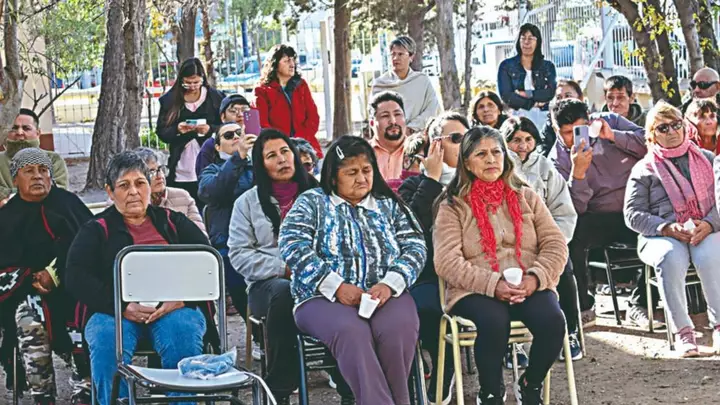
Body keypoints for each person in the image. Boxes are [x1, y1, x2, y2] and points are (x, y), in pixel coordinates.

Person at [280, 136, 426, 405]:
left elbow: (415, 246)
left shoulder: (388, 204)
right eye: (352, 172)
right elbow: (292, 244)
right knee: (352, 332)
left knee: (398, 328)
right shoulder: (312, 202)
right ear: (333, 177)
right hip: (320, 298)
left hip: (385, 293)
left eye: (367, 170)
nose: (362, 178)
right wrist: (334, 285)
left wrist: (390, 283)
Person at [65, 152, 218, 405]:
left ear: (150, 186)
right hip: (114, 311)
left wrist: (181, 299)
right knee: (106, 340)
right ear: (110, 191)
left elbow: (208, 263)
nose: (134, 192)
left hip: (174, 307)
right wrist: (121, 306)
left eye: (140, 183)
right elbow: (76, 275)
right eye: (124, 185)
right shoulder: (96, 229)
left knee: (183, 332)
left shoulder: (173, 222)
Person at [434, 126, 567, 405]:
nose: (491, 159)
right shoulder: (453, 205)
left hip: (527, 284)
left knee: (553, 321)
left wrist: (535, 278)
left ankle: (530, 384)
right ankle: (491, 392)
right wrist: (493, 285)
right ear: (467, 162)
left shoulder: (526, 196)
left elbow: (556, 244)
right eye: (481, 154)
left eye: (496, 152)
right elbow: (447, 261)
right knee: (494, 320)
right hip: (473, 290)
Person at [227, 129, 319, 405]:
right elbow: (239, 255)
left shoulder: (320, 194)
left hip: (319, 279)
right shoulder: (246, 203)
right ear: (261, 164)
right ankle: (280, 390)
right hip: (267, 286)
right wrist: (284, 268)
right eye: (272, 155)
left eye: (285, 151)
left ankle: (349, 391)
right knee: (284, 291)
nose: (281, 159)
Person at [548, 98, 656, 328]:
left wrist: (614, 136)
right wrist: (578, 174)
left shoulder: (610, 122)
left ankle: (640, 304)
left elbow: (652, 144)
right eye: (566, 133)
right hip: (599, 216)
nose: (574, 138)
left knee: (664, 230)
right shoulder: (556, 160)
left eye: (578, 130)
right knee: (569, 236)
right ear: (556, 129)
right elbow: (573, 210)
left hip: (639, 206)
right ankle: (583, 306)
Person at [625, 101, 720, 356]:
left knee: (710, 256)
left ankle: (719, 326)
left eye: (676, 125)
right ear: (652, 135)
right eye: (663, 128)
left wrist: (709, 223)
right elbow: (632, 214)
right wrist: (666, 227)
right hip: (661, 234)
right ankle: (683, 333)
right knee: (669, 257)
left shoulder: (708, 159)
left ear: (685, 126)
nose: (672, 132)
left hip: (706, 228)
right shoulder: (644, 168)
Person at [0, 148, 93, 405]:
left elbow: (92, 247)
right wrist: (30, 279)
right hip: (27, 292)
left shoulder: (69, 204)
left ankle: (85, 389)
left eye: (43, 170)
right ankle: (42, 394)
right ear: (15, 179)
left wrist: (56, 274)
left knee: (90, 317)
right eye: (29, 171)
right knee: (28, 320)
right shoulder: (6, 217)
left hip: (76, 288)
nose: (38, 176)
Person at [398, 111, 466, 405]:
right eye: (455, 138)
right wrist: (432, 179)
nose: (464, 144)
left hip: (476, 274)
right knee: (426, 305)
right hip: (429, 275)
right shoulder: (414, 186)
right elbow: (408, 228)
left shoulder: (482, 180)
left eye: (466, 137)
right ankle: (439, 371)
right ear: (436, 144)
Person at [500, 117, 582, 361]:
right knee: (507, 277)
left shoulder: (546, 167)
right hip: (508, 245)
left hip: (545, 242)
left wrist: (554, 244)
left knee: (564, 270)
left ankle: (570, 332)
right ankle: (512, 342)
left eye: (528, 139)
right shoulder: (497, 168)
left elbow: (563, 211)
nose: (523, 145)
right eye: (516, 140)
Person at [198, 123, 255, 337]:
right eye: (229, 135)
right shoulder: (211, 171)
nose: (236, 137)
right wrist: (238, 158)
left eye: (240, 133)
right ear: (217, 146)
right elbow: (214, 191)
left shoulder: (258, 166)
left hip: (264, 241)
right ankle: (259, 337)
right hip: (229, 245)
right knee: (239, 284)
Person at [156, 58, 225, 207]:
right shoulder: (170, 100)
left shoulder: (215, 98)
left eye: (196, 82)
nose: (192, 87)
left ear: (203, 78)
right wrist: (177, 129)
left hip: (209, 161)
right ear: (181, 80)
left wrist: (210, 130)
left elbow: (226, 127)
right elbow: (161, 132)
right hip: (181, 167)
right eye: (188, 83)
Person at [255, 44, 322, 157]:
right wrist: (283, 143)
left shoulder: (301, 85)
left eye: (293, 60)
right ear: (275, 64)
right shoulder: (262, 90)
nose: (292, 64)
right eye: (286, 61)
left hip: (305, 145)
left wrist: (299, 140)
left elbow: (313, 117)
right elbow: (263, 124)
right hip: (278, 149)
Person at [371, 35, 441, 133]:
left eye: (400, 54)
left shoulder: (422, 81)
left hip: (418, 135)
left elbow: (433, 109)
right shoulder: (380, 84)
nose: (395, 58)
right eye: (393, 54)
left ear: (411, 57)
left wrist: (411, 128)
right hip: (389, 136)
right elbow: (373, 113)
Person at [0, 109, 68, 204]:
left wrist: (9, 195)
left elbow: (58, 192)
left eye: (26, 128)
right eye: (14, 128)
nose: (19, 132)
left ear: (38, 133)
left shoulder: (53, 159)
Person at [497, 23, 557, 130]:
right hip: (516, 119)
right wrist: (532, 104)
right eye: (523, 38)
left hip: (543, 118)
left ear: (537, 42)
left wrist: (526, 93)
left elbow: (549, 93)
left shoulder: (548, 66)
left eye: (531, 38)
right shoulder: (506, 66)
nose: (526, 42)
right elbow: (507, 96)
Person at [133, 147, 206, 234]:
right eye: (151, 172)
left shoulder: (183, 196)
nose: (159, 176)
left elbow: (201, 235)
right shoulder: (131, 203)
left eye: (160, 169)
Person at [196, 93, 254, 176]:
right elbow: (204, 179)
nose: (240, 115)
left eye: (245, 110)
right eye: (233, 111)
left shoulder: (257, 138)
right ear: (223, 117)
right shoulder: (210, 144)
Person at [368, 91, 409, 188]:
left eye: (397, 114)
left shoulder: (419, 151)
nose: (393, 121)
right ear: (372, 123)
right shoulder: (363, 153)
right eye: (385, 116)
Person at [539, 80, 584, 156]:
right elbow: (544, 153)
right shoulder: (549, 126)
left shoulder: (589, 121)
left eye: (568, 96)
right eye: (559, 97)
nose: (563, 101)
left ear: (580, 98)